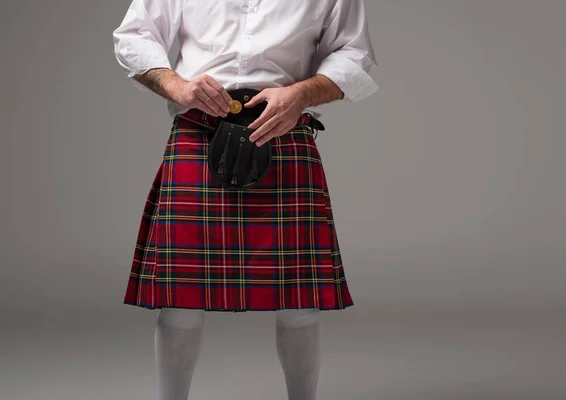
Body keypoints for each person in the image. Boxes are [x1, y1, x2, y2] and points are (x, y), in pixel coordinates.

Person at [112, 1, 378, 399]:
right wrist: (178, 86)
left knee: (298, 297)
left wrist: (300, 95)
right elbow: (134, 35)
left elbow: (354, 53)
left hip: (282, 129)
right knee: (179, 298)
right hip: (197, 132)